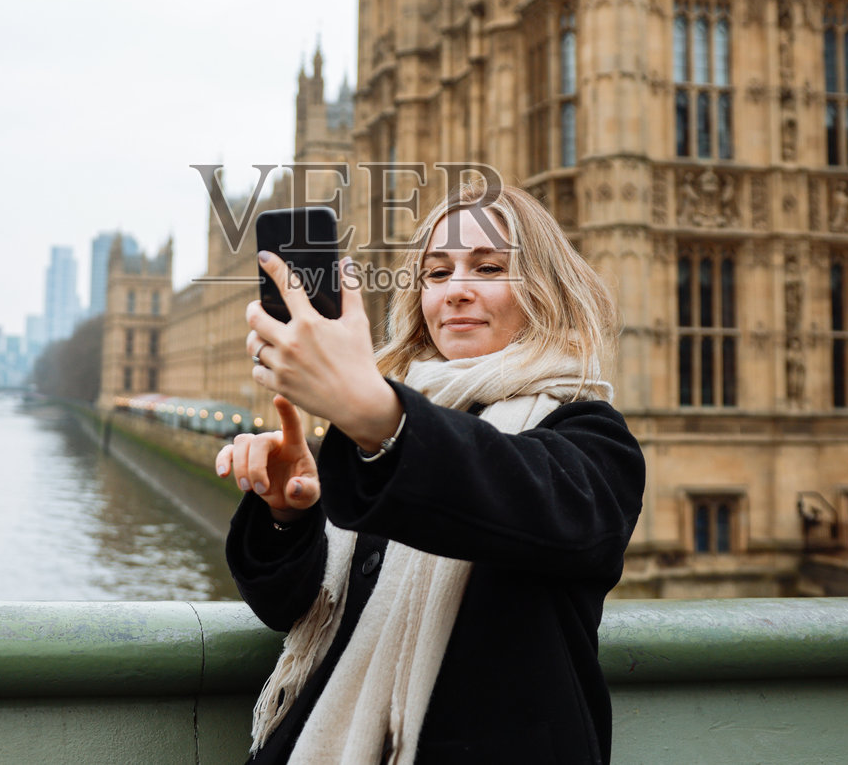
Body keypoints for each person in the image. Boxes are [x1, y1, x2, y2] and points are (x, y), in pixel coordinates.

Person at [216, 181, 645, 765]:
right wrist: (288, 514)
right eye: (437, 274)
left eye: (489, 268)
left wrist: (376, 413)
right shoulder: (386, 434)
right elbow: (293, 611)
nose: (457, 291)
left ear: (546, 290)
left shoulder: (589, 437)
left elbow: (515, 490)